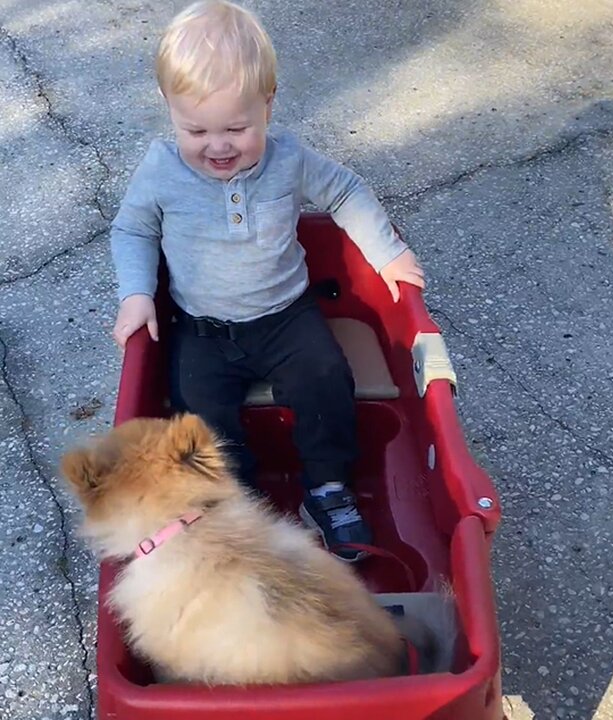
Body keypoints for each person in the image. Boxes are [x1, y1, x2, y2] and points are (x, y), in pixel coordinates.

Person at [109, 0, 425, 560]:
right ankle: (237, 498)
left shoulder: (289, 160)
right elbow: (132, 229)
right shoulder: (161, 170)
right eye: (196, 129)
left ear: (268, 105)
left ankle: (327, 488)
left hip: (286, 315)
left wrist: (387, 252)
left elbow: (346, 191)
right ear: (169, 110)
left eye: (237, 126)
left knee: (327, 379)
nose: (219, 146)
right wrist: (136, 294)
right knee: (198, 415)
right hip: (202, 328)